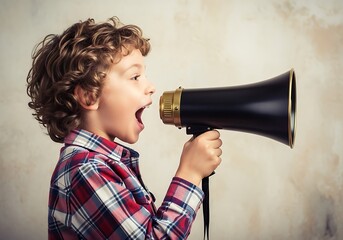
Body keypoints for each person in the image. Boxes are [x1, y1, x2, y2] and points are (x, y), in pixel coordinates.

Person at [26, 17, 222, 239]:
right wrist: (190, 174)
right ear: (90, 95)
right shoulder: (86, 171)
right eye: (135, 77)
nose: (150, 87)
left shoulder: (103, 164)